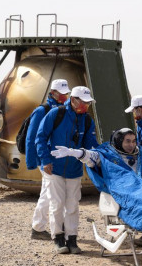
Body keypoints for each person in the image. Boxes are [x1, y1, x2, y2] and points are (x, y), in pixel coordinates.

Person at [35, 86, 99, 254]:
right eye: (84, 102)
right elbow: (40, 137)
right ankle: (58, 238)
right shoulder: (56, 114)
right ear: (73, 100)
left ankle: (72, 239)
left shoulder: (87, 120)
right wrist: (45, 160)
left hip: (74, 170)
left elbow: (91, 144)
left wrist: (101, 155)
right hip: (54, 169)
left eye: (88, 103)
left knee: (72, 206)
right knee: (56, 205)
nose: (86, 106)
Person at [26, 79, 71, 240]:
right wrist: (32, 161)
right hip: (45, 159)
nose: (65, 96)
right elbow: (32, 138)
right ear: (53, 93)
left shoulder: (63, 109)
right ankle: (43, 228)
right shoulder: (42, 111)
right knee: (51, 193)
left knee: (49, 192)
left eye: (66, 93)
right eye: (62, 93)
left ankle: (40, 227)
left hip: (57, 158)